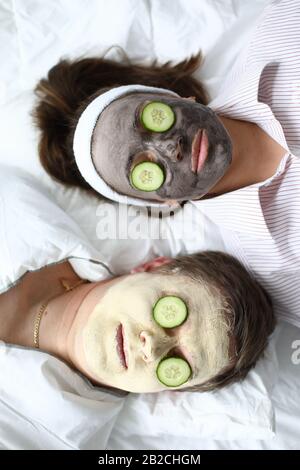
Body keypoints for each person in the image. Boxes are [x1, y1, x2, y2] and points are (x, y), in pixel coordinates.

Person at [31, 0, 300, 328]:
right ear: (162, 202)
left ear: (176, 97)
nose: (170, 147)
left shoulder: (283, 29)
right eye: (144, 169)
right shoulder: (273, 268)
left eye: (153, 120)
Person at [0, 166, 275, 394]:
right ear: (154, 266)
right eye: (174, 313)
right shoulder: (17, 205)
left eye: (179, 363)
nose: (153, 348)